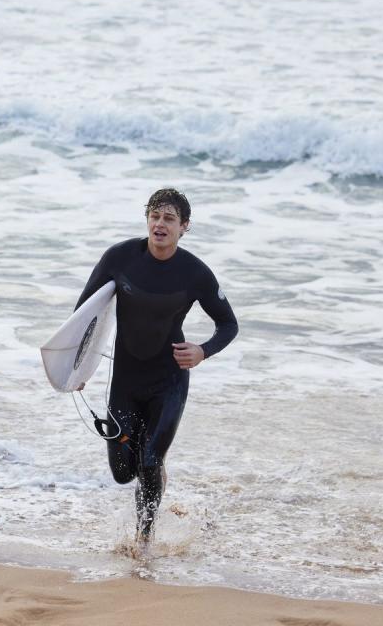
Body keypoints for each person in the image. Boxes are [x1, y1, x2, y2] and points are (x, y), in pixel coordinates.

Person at [75, 188, 237, 540]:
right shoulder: (120, 258)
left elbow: (229, 324)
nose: (160, 224)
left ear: (184, 227)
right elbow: (84, 314)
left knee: (149, 461)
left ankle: (143, 540)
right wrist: (78, 368)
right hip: (126, 381)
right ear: (147, 219)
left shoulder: (195, 273)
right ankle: (155, 474)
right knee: (122, 472)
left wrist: (203, 351)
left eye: (169, 218)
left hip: (169, 380)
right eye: (155, 216)